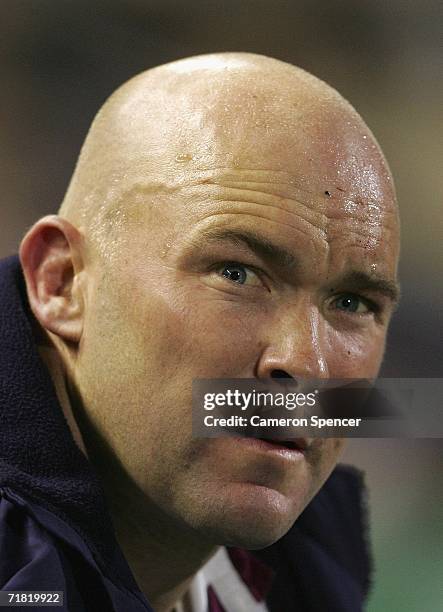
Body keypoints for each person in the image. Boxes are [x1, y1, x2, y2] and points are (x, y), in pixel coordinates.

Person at [0, 52, 400, 611]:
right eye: (236, 273)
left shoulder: (309, 562)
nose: (305, 364)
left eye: (353, 303)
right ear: (62, 282)